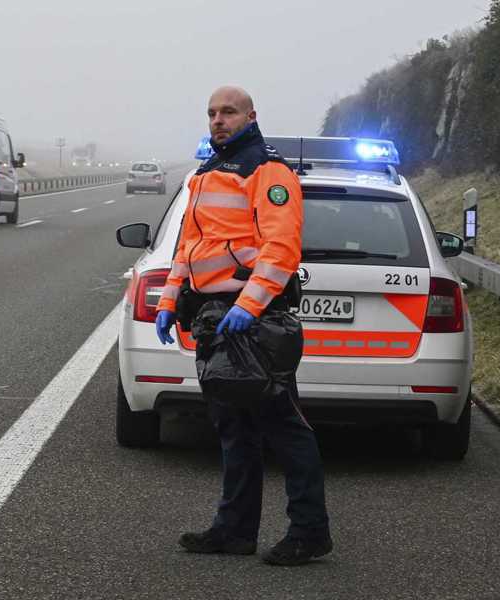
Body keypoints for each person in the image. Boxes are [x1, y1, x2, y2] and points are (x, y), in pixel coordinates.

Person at [155, 86, 332, 566]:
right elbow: (189, 246)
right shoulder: (208, 173)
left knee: (284, 426)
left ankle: (309, 531)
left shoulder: (267, 171)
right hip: (215, 318)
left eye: (228, 112)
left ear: (251, 116)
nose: (218, 120)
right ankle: (234, 530)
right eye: (212, 112)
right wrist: (169, 300)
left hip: (255, 319)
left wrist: (249, 306)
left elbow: (281, 250)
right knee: (233, 427)